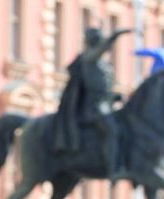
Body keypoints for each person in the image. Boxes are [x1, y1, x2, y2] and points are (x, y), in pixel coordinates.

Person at [53, 27, 132, 182]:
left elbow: (103, 86)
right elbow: (102, 50)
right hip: (94, 108)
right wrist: (117, 33)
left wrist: (115, 96)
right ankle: (112, 168)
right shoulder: (89, 57)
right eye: (98, 39)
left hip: (106, 105)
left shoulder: (102, 64)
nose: (101, 43)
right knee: (112, 130)